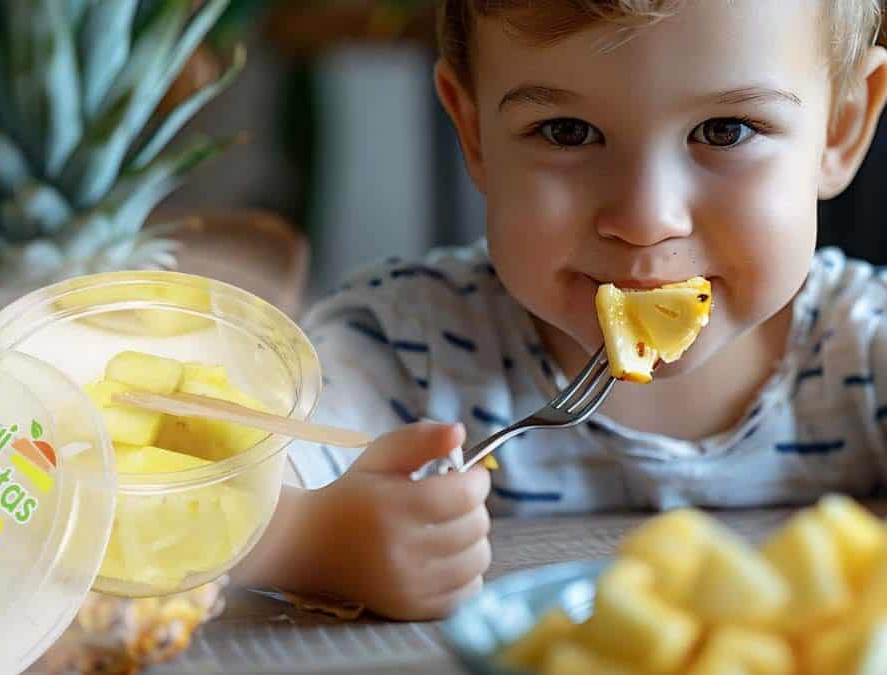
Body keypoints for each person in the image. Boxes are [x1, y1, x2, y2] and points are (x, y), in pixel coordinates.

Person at [239, 0, 887, 621]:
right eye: (568, 132)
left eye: (725, 130)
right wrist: (311, 539)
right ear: (474, 133)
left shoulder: (864, 346)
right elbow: (207, 486)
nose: (644, 219)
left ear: (841, 127)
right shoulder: (406, 347)